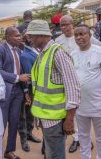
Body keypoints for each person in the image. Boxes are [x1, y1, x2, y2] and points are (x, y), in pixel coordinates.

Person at [26, 20, 81, 159]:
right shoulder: (43, 54)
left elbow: (73, 86)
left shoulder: (57, 53)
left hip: (56, 119)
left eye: (31, 36)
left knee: (55, 155)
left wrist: (69, 119)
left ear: (41, 35)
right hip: (46, 117)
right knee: (50, 154)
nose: (29, 39)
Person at [55, 15, 101, 153]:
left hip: (86, 79)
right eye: (62, 25)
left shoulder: (83, 36)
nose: (64, 27)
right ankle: (77, 139)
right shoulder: (58, 40)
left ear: (72, 24)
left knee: (86, 111)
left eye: (67, 24)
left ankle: (85, 139)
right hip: (68, 80)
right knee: (72, 109)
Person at [71, 25, 101, 159]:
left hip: (99, 105)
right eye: (76, 35)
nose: (79, 38)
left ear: (90, 35)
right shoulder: (72, 54)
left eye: (82, 34)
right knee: (83, 136)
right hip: (80, 105)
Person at [0, 27, 31, 159]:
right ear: (8, 37)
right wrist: (17, 78)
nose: (20, 37)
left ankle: (9, 151)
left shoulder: (20, 51)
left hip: (18, 92)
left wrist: (25, 91)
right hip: (5, 91)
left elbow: (22, 72)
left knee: (14, 122)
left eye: (20, 35)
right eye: (17, 36)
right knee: (1, 124)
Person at [18, 31, 41, 152]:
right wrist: (27, 92)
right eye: (28, 36)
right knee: (24, 115)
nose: (30, 37)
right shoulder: (25, 55)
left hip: (36, 88)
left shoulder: (35, 50)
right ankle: (24, 139)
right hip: (29, 88)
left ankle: (29, 133)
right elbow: (28, 75)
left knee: (31, 114)